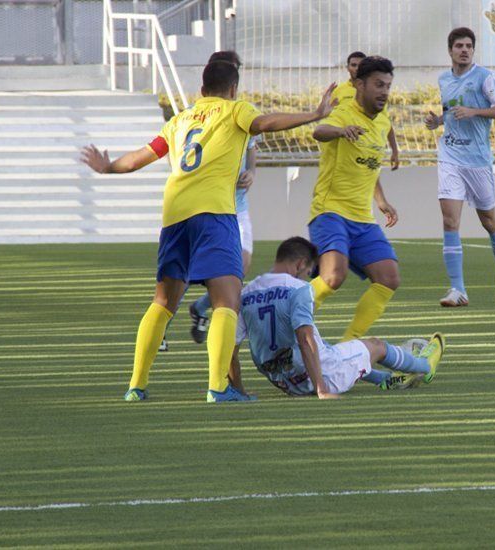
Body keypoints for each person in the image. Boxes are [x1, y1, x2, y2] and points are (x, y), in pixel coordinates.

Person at [80, 60, 336, 402]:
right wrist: (314, 114)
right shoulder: (234, 110)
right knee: (226, 301)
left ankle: (135, 386)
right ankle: (218, 388)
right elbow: (264, 124)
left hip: (175, 215)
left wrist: (108, 167)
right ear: (233, 89)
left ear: (201, 90)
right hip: (214, 213)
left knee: (163, 302)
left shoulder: (180, 120)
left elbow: (144, 155)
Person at [228, 237, 445, 398]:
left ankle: (386, 380)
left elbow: (230, 350)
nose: (307, 276)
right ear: (301, 264)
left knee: (332, 347)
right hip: (321, 376)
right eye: (308, 271)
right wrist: (321, 388)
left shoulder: (247, 292)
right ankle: (424, 367)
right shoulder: (298, 289)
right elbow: (305, 340)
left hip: (284, 382)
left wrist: (239, 391)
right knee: (376, 346)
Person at [308, 56, 401, 342]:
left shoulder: (382, 118)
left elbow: (370, 163)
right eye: (378, 85)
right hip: (330, 212)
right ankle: (287, 312)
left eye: (387, 85)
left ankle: (348, 346)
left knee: (389, 278)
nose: (384, 91)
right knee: (334, 276)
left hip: (362, 218)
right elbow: (318, 131)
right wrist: (340, 131)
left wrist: (381, 200)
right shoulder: (345, 113)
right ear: (359, 84)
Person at [424, 27, 495, 307]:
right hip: (450, 157)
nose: (464, 50)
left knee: (489, 222)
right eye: (459, 46)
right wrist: (438, 122)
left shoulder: (485, 78)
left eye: (468, 46)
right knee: (450, 220)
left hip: (477, 161)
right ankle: (457, 289)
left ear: (473, 50)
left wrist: (475, 111)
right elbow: (451, 111)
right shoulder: (443, 79)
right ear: (450, 50)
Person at [187, 51, 261, 345]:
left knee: (238, 271)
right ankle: (162, 327)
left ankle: (201, 308)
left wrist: (252, 173)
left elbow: (253, 150)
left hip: (236, 207)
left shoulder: (244, 113)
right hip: (203, 209)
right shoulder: (198, 114)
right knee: (182, 276)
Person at [332, 51, 401, 171]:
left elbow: (386, 123)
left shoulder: (378, 96)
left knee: (370, 181)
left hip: (370, 149)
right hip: (345, 150)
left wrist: (395, 150)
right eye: (353, 65)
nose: (356, 68)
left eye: (360, 65)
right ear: (347, 68)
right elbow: (328, 121)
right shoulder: (339, 91)